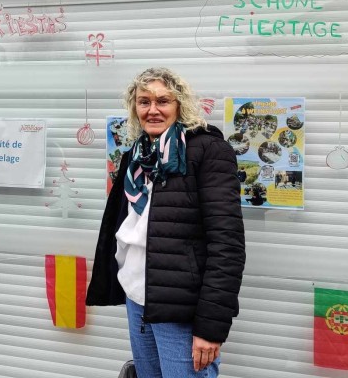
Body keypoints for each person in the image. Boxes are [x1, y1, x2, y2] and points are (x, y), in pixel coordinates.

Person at [87, 67, 245, 378]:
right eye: (144, 101)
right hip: (137, 297)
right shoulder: (136, 155)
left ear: (179, 104)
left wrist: (211, 327)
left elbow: (227, 245)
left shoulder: (207, 151)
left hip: (180, 308)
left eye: (163, 101)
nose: (153, 110)